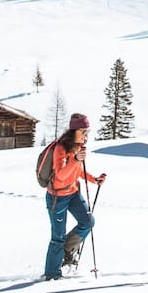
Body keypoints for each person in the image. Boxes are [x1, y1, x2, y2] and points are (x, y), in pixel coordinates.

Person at [43, 112, 106, 281]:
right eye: (84, 131)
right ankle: (52, 274)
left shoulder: (78, 147)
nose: (86, 135)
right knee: (58, 237)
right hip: (57, 198)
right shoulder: (61, 148)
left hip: (73, 193)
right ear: (74, 130)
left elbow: (77, 171)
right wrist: (75, 160)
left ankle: (67, 250)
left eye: (87, 131)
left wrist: (94, 180)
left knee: (88, 222)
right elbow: (61, 175)